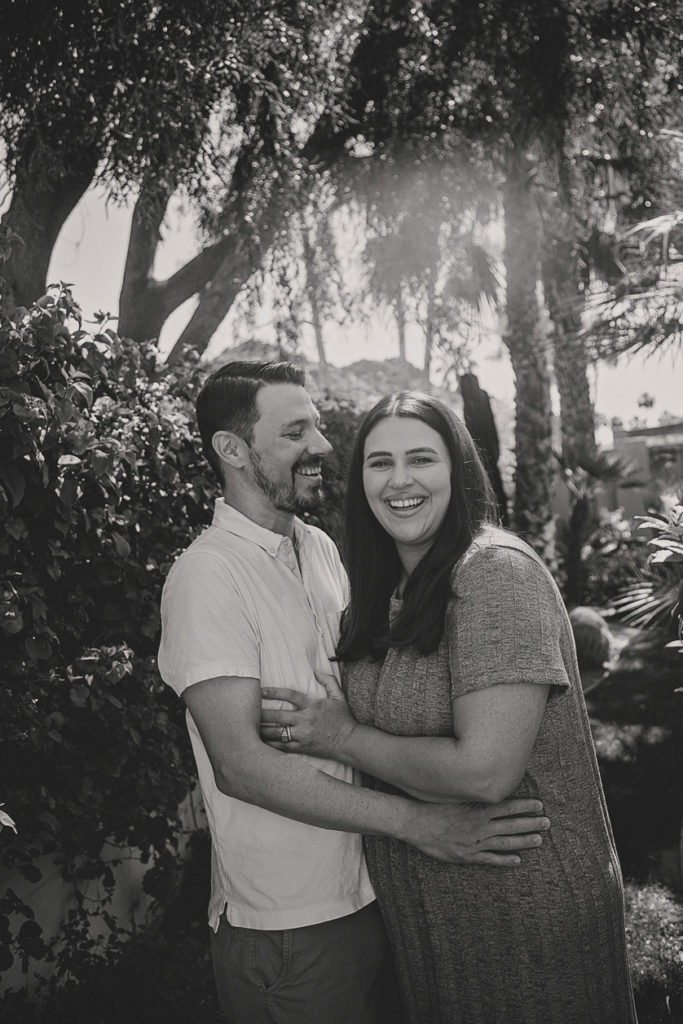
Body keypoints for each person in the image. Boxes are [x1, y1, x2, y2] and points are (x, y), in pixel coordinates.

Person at [157, 363, 551, 1024]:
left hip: (372, 892)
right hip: (290, 922)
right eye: (295, 432)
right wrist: (421, 823)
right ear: (232, 450)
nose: (321, 446)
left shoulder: (318, 550)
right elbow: (240, 766)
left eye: (316, 426)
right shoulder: (206, 577)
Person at [260, 390, 638, 1024]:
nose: (400, 480)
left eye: (421, 459)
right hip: (433, 921)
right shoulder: (382, 590)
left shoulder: (494, 574)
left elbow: (484, 771)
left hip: (525, 910)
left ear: (458, 472)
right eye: (379, 463)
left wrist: (343, 738)